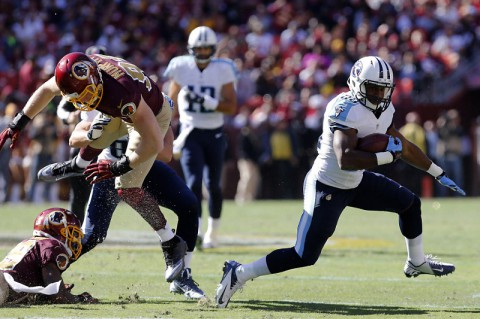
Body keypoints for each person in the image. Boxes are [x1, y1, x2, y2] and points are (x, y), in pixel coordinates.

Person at [214, 56, 465, 308]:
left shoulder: (386, 109)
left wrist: (437, 172)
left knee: (410, 204)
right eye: (373, 88)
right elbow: (345, 158)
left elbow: (405, 146)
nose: (379, 95)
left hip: (355, 182)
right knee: (304, 255)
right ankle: (240, 273)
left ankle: (416, 261)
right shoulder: (345, 108)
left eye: (383, 89)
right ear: (356, 84)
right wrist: (386, 156)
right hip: (327, 185)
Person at [0, 52, 187, 283]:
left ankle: (170, 241)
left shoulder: (121, 93)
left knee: (126, 188)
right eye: (78, 98)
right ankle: (79, 164)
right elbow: (46, 90)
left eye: (87, 94)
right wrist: (18, 122)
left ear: (95, 78)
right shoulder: (76, 74)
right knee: (96, 132)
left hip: (150, 113)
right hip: (120, 104)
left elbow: (155, 144)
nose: (86, 102)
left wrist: (118, 167)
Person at [65, 110, 205, 299]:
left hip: (145, 167)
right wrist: (92, 134)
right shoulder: (105, 102)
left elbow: (165, 153)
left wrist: (151, 131)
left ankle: (182, 275)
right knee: (91, 236)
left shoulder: (156, 102)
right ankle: (45, 270)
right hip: (107, 171)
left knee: (189, 205)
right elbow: (74, 139)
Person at [164, 26, 237, 249]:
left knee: (213, 185)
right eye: (200, 49)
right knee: (193, 183)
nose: (203, 53)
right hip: (190, 133)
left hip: (214, 133)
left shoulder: (223, 69)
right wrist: (167, 126)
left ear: (213, 49)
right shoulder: (181, 66)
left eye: (207, 49)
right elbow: (168, 102)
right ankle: (193, 229)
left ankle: (212, 233)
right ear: (191, 49)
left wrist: (211, 103)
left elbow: (231, 107)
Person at [0, 207, 97, 305]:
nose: (75, 239)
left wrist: (52, 289)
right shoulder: (52, 246)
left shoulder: (30, 242)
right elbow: (58, 297)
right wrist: (81, 299)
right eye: (73, 233)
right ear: (57, 230)